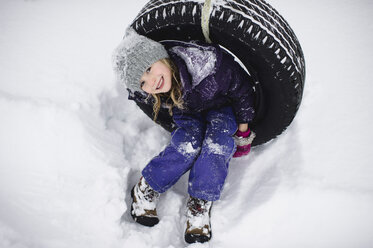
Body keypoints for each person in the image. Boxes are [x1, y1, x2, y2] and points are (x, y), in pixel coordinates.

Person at [113, 27, 256, 244]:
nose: (151, 82)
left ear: (160, 56)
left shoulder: (209, 67)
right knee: (187, 144)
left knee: (216, 144)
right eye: (142, 82)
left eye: (149, 68)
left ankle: (200, 201)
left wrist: (244, 129)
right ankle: (148, 186)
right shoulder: (155, 91)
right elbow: (145, 97)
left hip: (221, 106)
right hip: (184, 108)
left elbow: (242, 90)